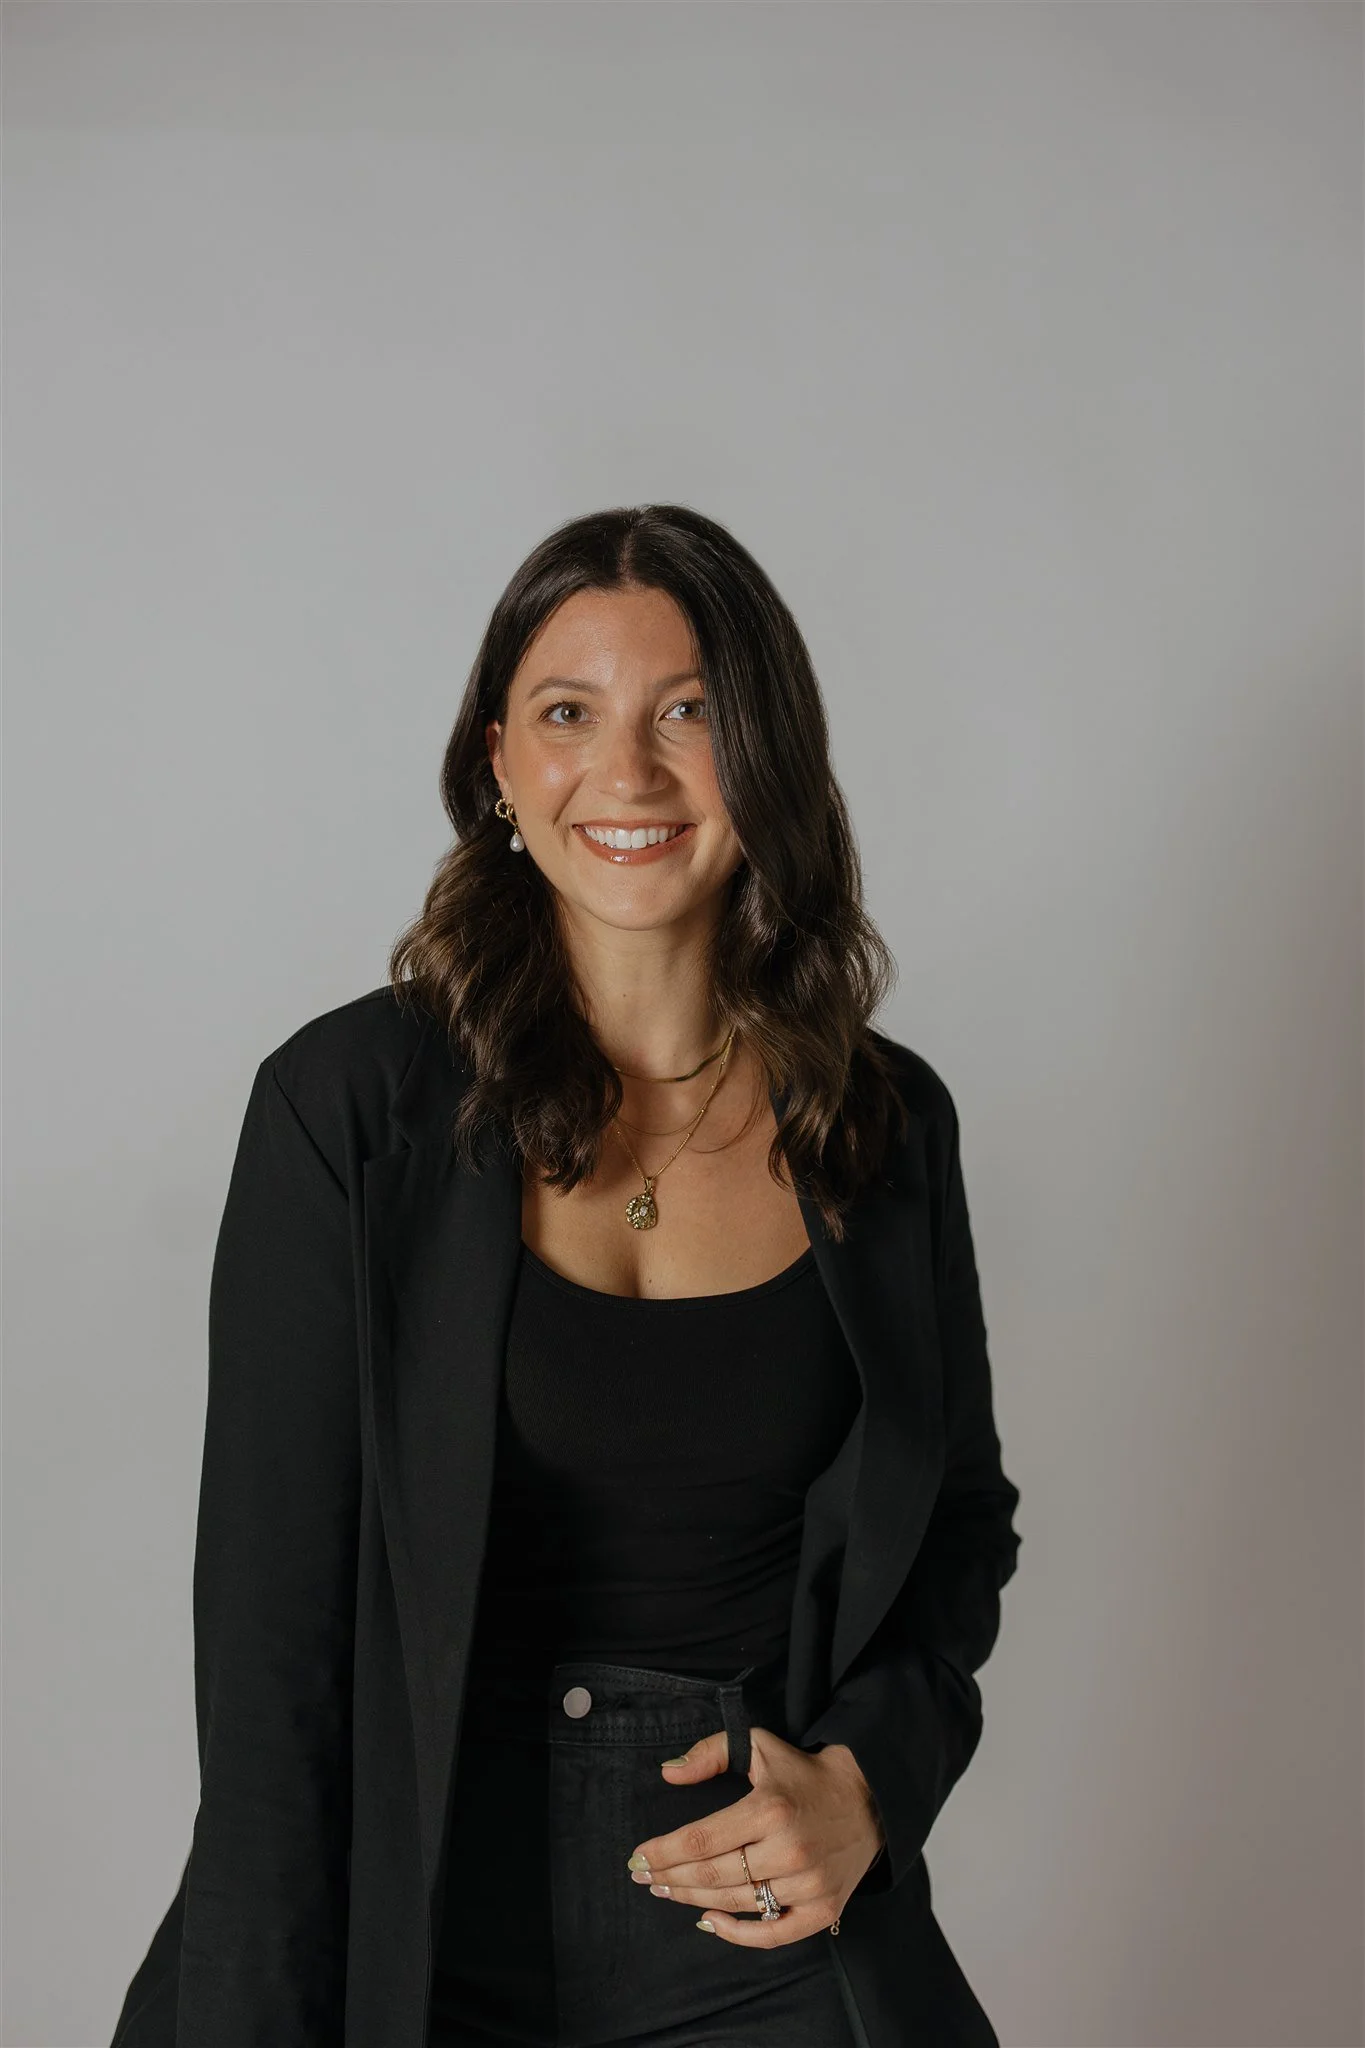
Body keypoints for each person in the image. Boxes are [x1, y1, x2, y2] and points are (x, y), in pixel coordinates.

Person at [111, 503, 1021, 2048]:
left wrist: (868, 1785)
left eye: (691, 712)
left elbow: (956, 1525)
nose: (630, 772)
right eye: (568, 714)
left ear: (770, 755)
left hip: (763, 1937)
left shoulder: (881, 1125)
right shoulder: (350, 1115)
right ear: (499, 765)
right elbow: (272, 1662)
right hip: (414, 1920)